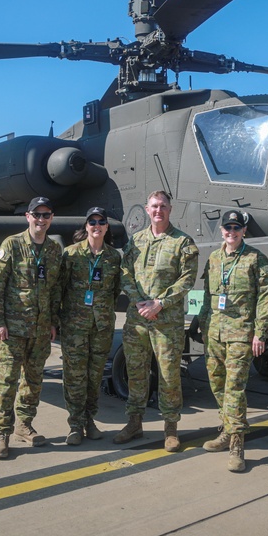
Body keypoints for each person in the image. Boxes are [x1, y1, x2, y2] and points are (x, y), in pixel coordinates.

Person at [192, 209, 268, 472]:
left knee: (234, 389)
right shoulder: (214, 259)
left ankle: (237, 444)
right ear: (222, 231)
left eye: (236, 228)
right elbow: (207, 296)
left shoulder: (255, 259)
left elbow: (267, 298)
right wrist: (202, 325)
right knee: (217, 385)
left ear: (243, 231)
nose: (231, 232)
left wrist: (261, 333)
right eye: (227, 228)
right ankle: (227, 430)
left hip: (241, 334)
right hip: (215, 333)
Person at [115, 190, 199, 452]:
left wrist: (160, 303)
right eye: (154, 206)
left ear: (170, 209)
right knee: (136, 372)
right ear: (147, 209)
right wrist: (138, 299)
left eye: (163, 206)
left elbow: (187, 279)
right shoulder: (136, 241)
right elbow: (124, 272)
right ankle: (134, 422)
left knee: (169, 375)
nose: (158, 210)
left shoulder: (183, 243)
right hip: (137, 319)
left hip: (167, 321)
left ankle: (171, 429)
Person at [0, 196, 63, 460]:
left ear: (51, 218)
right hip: (13, 329)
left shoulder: (54, 250)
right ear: (28, 217)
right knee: (7, 382)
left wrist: (53, 321)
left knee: (33, 382)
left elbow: (54, 291)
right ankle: (1, 434)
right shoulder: (12, 244)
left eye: (46, 215)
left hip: (41, 330)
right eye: (36, 215)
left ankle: (24, 425)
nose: (41, 220)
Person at [58, 207, 122, 445]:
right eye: (92, 221)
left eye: (101, 221)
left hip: (102, 327)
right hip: (75, 327)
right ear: (86, 226)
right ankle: (75, 425)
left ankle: (89, 421)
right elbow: (59, 289)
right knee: (75, 377)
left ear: (106, 227)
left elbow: (115, 291)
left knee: (95, 376)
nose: (96, 225)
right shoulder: (71, 255)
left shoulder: (114, 257)